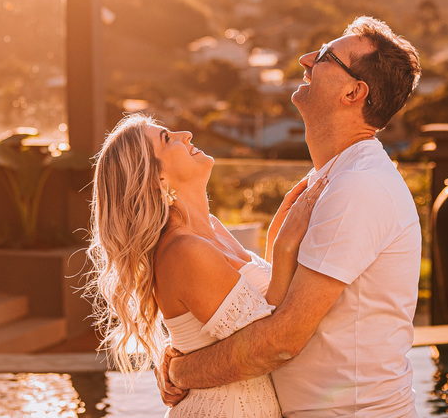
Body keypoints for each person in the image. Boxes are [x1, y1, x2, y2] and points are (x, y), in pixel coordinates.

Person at [161, 16, 423, 417]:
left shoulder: (357, 187)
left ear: (354, 91)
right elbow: (277, 306)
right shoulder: (330, 178)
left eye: (324, 56)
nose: (305, 59)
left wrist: (182, 370)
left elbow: (283, 339)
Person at [87, 113, 327, 417]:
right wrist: (284, 246)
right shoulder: (184, 250)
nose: (186, 134)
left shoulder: (212, 229)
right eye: (167, 139)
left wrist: (278, 231)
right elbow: (272, 339)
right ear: (157, 178)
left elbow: (257, 306)